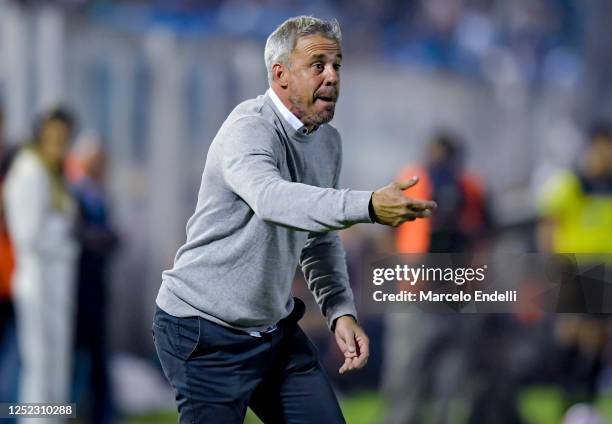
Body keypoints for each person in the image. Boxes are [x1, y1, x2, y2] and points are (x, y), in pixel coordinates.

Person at [153, 15, 436, 423]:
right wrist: (368, 206)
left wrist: (341, 310)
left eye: (337, 65)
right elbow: (272, 198)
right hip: (203, 329)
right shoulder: (248, 128)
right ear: (280, 75)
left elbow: (319, 238)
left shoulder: (328, 143)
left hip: (272, 332)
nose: (332, 76)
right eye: (318, 65)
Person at [3, 107, 79, 422]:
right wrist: (65, 235)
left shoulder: (52, 171)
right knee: (40, 366)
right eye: (53, 132)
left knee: (56, 365)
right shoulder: (30, 170)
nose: (59, 140)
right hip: (38, 279)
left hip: (57, 280)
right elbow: (28, 234)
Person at [70, 133, 118, 424]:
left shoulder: (99, 195)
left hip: (96, 287)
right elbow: (77, 235)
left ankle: (100, 413)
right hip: (77, 288)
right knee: (76, 356)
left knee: (97, 354)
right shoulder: (75, 193)